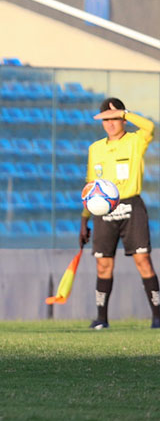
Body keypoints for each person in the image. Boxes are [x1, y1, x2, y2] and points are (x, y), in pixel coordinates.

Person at [79, 98, 160, 329]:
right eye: (106, 119)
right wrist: (84, 219)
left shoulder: (136, 140)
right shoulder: (95, 148)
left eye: (115, 118)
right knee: (103, 265)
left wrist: (125, 113)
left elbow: (150, 127)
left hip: (131, 206)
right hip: (103, 211)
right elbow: (91, 184)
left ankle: (157, 316)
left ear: (122, 118)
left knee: (143, 260)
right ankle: (101, 318)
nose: (111, 123)